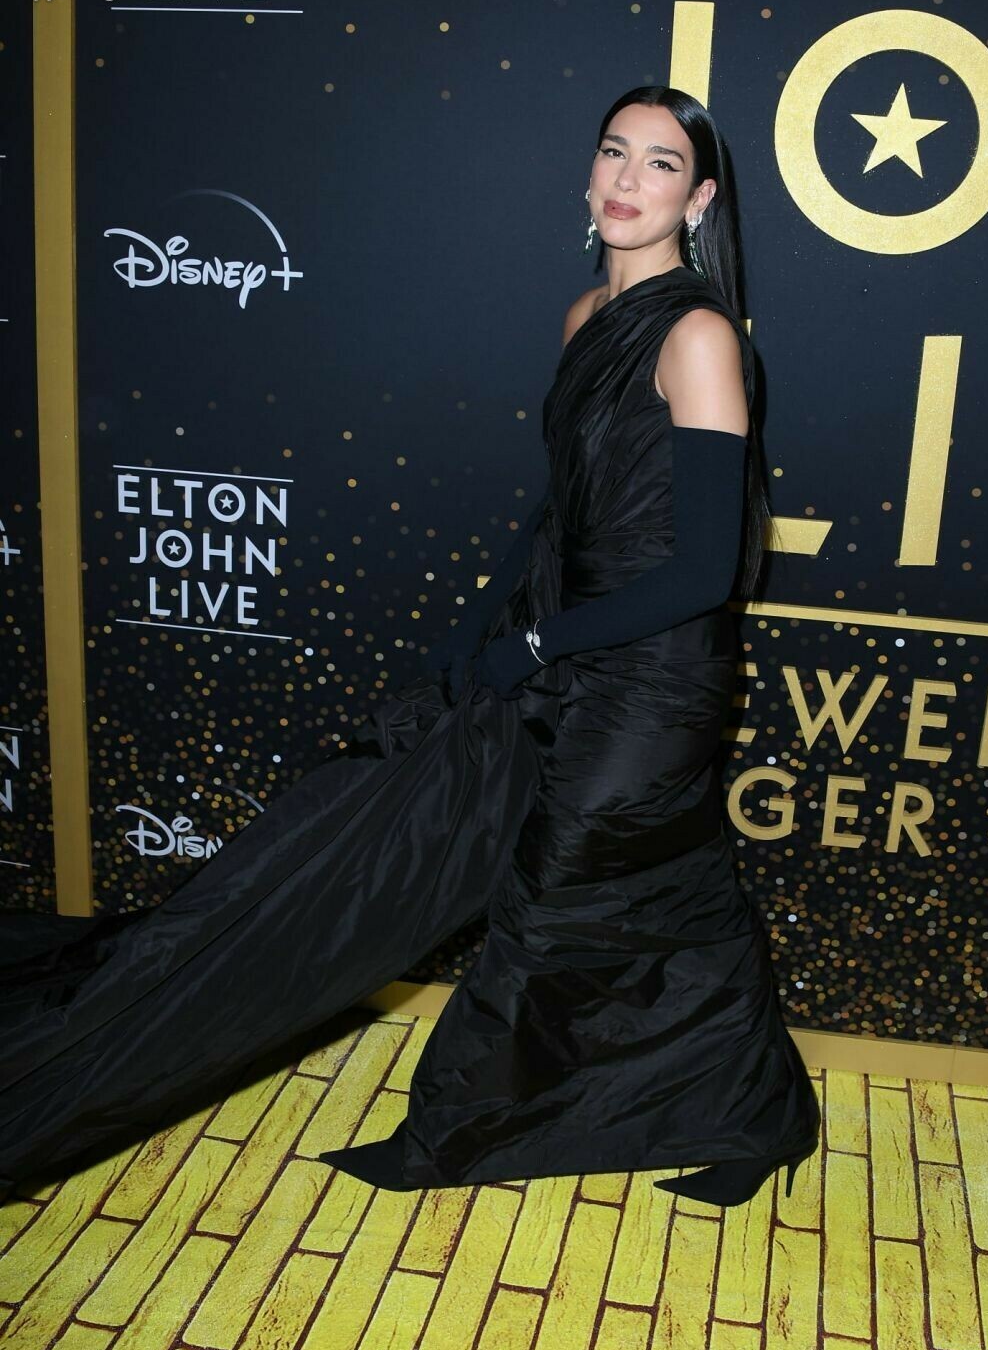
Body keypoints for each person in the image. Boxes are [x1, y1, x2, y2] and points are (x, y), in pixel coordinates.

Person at [0, 87, 820, 1210]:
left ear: (702, 196)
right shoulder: (587, 317)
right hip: (569, 641)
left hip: (655, 676)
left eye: (661, 163)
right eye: (614, 152)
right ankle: (764, 1115)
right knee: (681, 891)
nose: (629, 180)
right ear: (589, 172)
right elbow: (566, 510)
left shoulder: (699, 336)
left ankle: (452, 1132)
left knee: (548, 896)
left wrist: (538, 640)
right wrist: (479, 625)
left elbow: (701, 574)